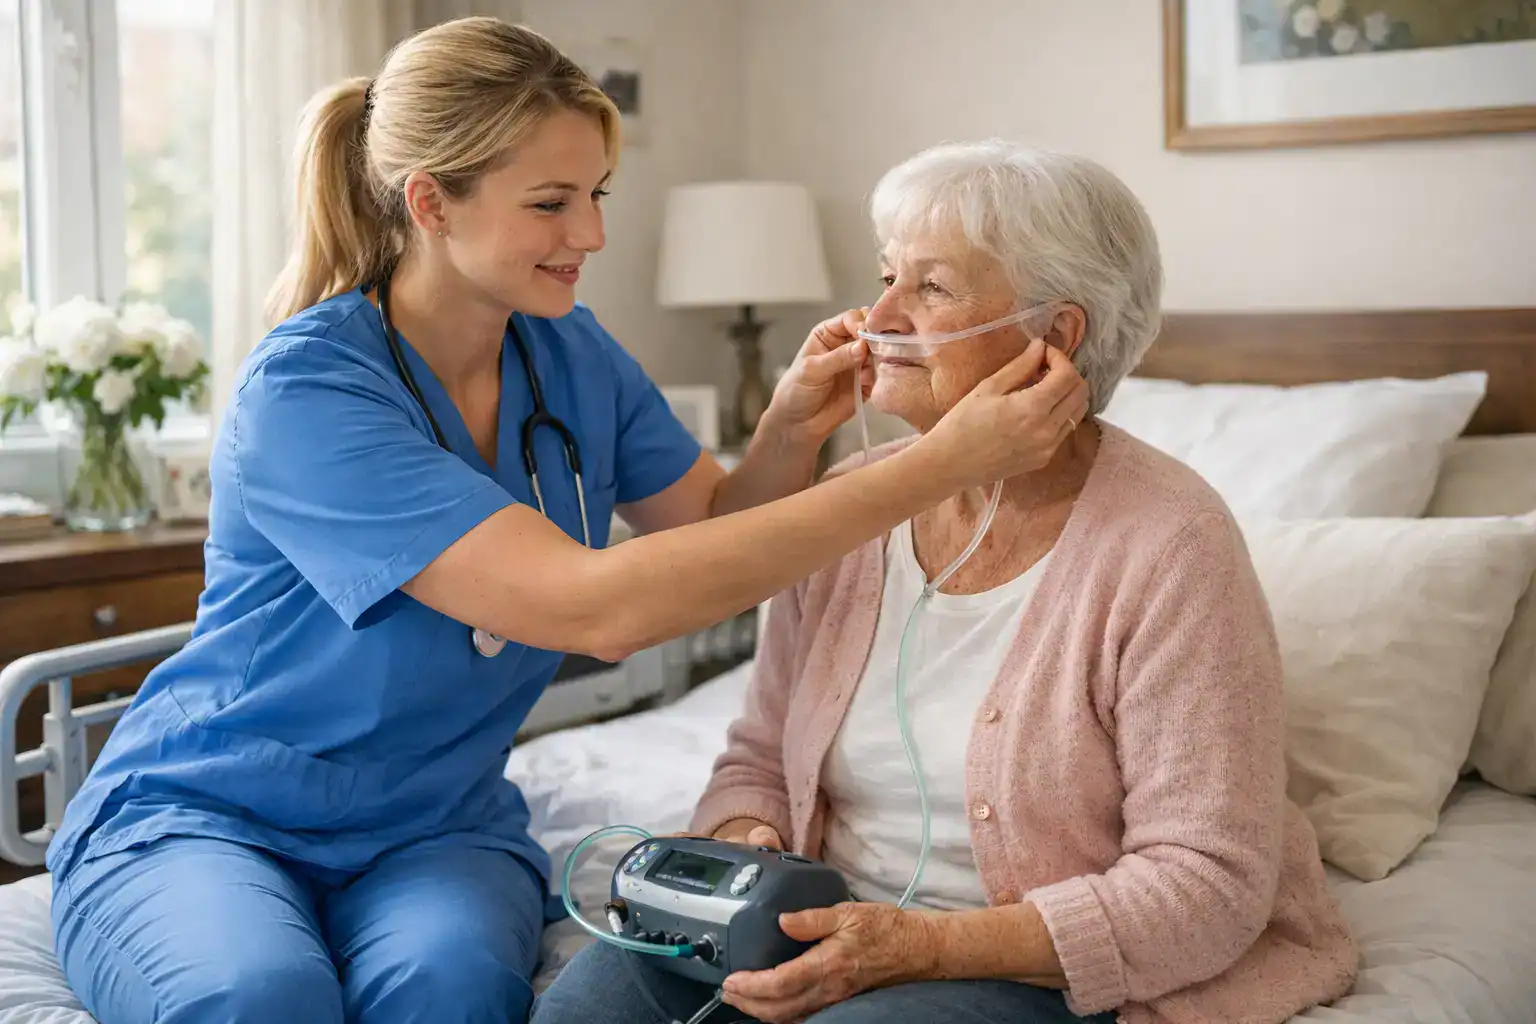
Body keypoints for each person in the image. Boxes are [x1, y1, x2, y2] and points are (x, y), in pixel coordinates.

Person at [44, 24, 1089, 1024]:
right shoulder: (311, 392)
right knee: (258, 999)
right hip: (215, 814)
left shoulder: (566, 350)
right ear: (430, 203)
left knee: (450, 996)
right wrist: (935, 466)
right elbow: (601, 612)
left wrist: (782, 430)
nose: (589, 234)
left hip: (431, 827)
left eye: (594, 195)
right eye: (551, 203)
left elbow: (715, 525)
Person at [532, 141, 1360, 1024]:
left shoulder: (1171, 544)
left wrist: (917, 947)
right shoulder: (852, 510)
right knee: (586, 1007)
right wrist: (749, 844)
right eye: (886, 275)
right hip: (813, 931)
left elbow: (1207, 885)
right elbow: (760, 755)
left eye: (931, 288)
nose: (878, 314)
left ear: (1058, 335)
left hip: (1030, 969)